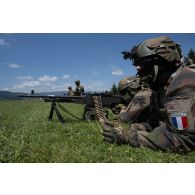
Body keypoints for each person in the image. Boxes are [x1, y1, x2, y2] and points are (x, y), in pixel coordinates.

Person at [102, 36, 195, 153]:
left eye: (143, 65)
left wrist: (128, 137)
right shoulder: (159, 90)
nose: (138, 72)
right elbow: (155, 123)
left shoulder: (185, 80)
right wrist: (136, 128)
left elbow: (184, 139)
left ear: (160, 62)